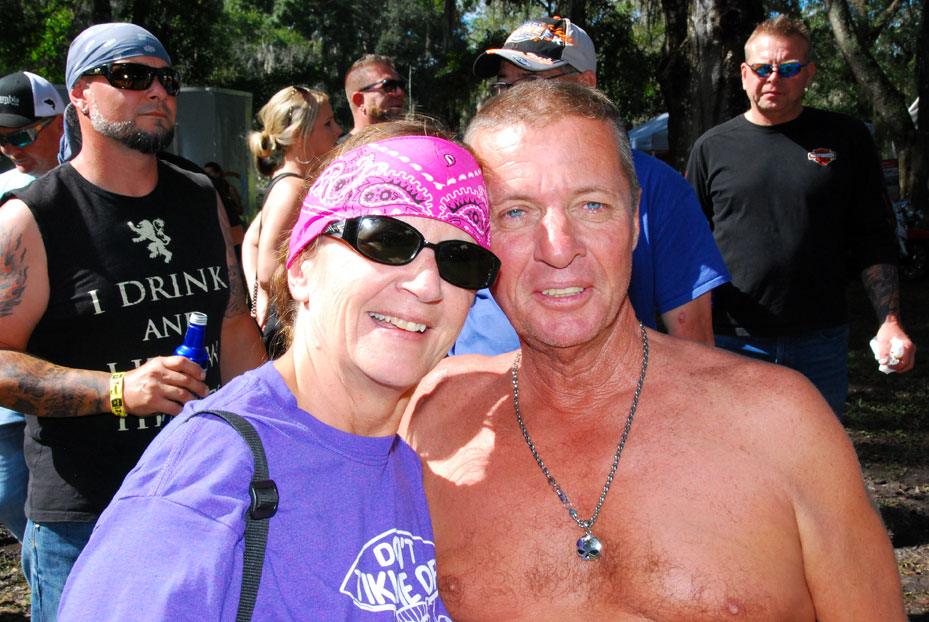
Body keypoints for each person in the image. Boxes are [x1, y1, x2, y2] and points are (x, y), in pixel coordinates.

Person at [401, 80, 906, 621]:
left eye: (592, 205)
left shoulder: (781, 422)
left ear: (635, 217)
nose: (559, 249)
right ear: (478, 234)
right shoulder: (430, 420)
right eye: (515, 213)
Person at [58, 121, 499, 621]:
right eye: (386, 240)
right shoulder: (209, 475)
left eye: (461, 260)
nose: (427, 285)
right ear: (301, 267)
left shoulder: (409, 466)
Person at [0, 23, 265, 621]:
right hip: (86, 517)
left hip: (201, 492)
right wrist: (117, 391)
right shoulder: (33, 218)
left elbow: (234, 328)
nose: (157, 91)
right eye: (130, 76)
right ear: (79, 95)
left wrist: (281, 427)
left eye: (167, 79)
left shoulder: (198, 195)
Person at [453, 16, 729, 355]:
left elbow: (693, 339)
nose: (514, 98)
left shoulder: (659, 186)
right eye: (504, 85)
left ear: (586, 84)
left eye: (530, 82)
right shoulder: (470, 174)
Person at [686, 15, 914, 418]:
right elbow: (687, 249)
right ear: (744, 74)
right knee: (737, 455)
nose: (774, 78)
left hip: (819, 341)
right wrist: (691, 336)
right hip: (732, 341)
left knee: (816, 456)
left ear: (809, 74)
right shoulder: (711, 148)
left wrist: (890, 321)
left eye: (789, 68)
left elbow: (874, 235)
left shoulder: (847, 138)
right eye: (762, 68)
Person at [0, 70, 65, 544]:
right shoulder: (6, 191)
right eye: (1, 139)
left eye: (20, 135)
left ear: (58, 122)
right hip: (14, 379)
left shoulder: (93, 185)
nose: (10, 149)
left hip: (76, 375)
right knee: (9, 494)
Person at [241, 86, 341, 357]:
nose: (338, 130)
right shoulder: (293, 189)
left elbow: (252, 241)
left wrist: (259, 297)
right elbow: (267, 270)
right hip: (288, 329)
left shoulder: (288, 183)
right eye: (328, 123)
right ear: (299, 135)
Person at [342, 54, 405, 140]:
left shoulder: (411, 143)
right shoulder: (340, 148)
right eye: (389, 86)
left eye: (401, 85)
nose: (400, 92)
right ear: (359, 100)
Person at [203, 161, 245, 249]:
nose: (208, 176)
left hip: (232, 228)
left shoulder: (229, 189)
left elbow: (240, 210)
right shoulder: (208, 191)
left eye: (210, 173)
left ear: (218, 173)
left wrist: (227, 210)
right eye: (206, 173)